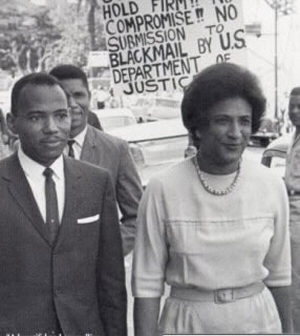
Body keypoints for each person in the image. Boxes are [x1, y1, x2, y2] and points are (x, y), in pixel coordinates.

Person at [132, 62, 292, 335]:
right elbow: (147, 285)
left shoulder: (270, 185)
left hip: (259, 323)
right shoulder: (162, 188)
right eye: (222, 120)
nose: (235, 133)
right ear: (198, 127)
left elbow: (280, 275)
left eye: (244, 121)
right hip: (187, 325)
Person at [1, 73, 127, 335]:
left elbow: (111, 282)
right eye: (36, 117)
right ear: (12, 123)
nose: (51, 127)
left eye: (61, 115)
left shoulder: (96, 182)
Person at [49, 64, 143, 256]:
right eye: (64, 97)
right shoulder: (35, 148)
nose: (72, 104)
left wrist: (106, 252)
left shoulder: (116, 149)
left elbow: (137, 218)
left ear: (90, 97)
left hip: (99, 275)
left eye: (78, 95)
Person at [284, 86, 300, 332]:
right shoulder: (294, 137)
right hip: (290, 210)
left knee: (295, 285)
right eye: (291, 107)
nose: (295, 111)